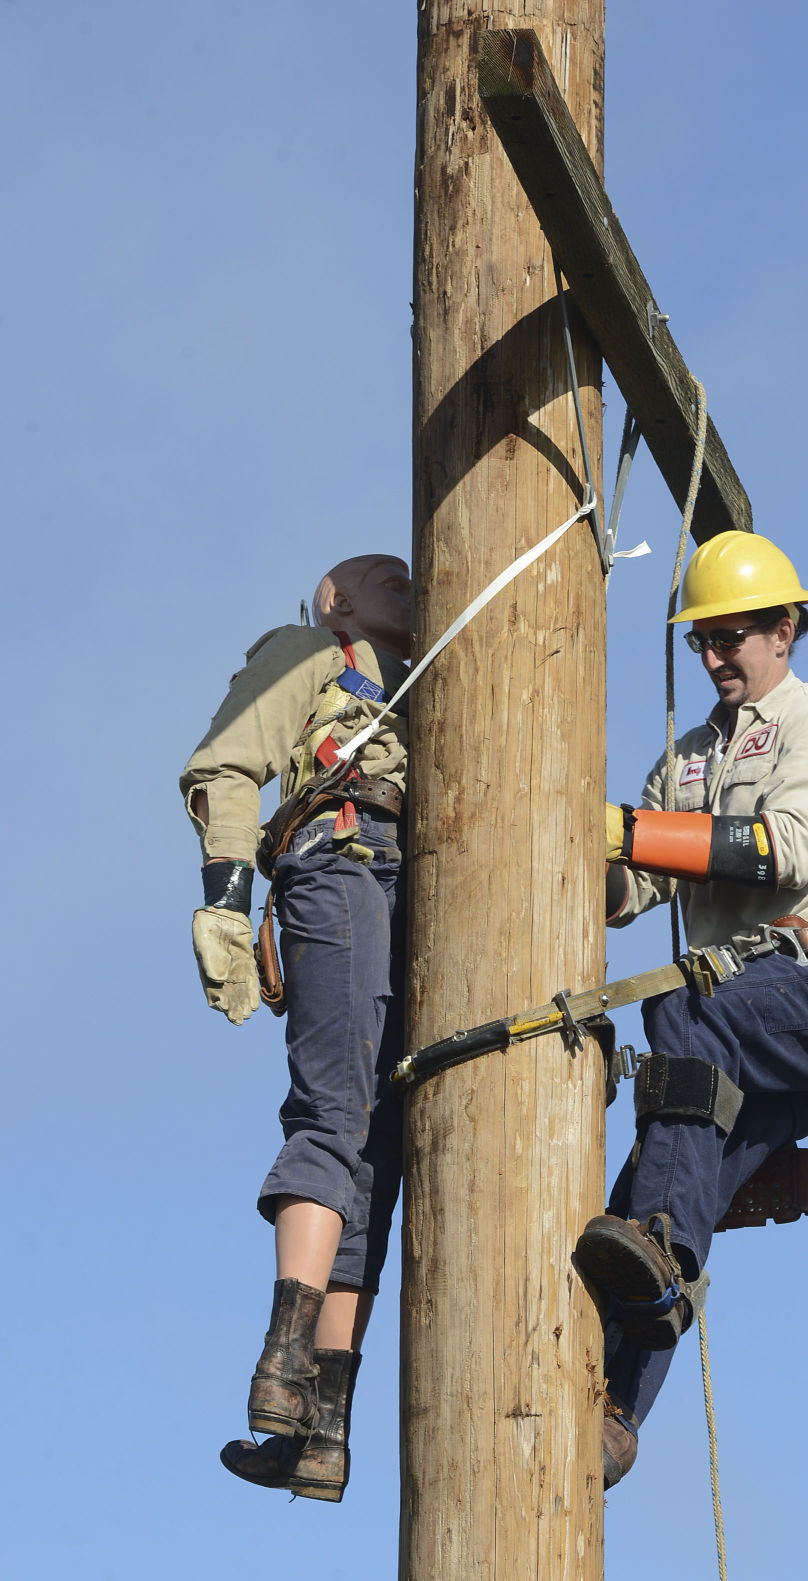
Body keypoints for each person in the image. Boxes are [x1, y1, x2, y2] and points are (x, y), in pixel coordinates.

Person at [574, 530, 808, 1488]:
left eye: (732, 637)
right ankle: (614, 1412)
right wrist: (561, 845)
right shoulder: (682, 761)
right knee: (650, 1194)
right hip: (731, 1020)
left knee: (687, 1007)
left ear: (784, 629)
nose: (715, 656)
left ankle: (663, 1246)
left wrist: (630, 831)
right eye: (701, 642)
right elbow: (629, 887)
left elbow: (785, 848)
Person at [180, 553, 412, 1502]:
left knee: (379, 1157)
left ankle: (324, 1423)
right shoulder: (312, 652)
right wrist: (228, 901)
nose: (409, 577)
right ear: (336, 599)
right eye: (380, 574)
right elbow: (228, 761)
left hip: (417, 897)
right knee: (334, 1115)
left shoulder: (447, 677)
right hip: (342, 857)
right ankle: (281, 1366)